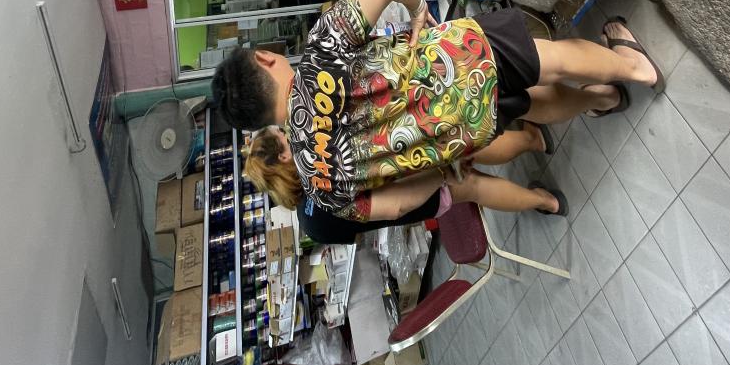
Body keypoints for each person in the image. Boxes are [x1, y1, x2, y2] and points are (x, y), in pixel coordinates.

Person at [211, 0, 664, 222]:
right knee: (553, 60)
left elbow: (398, 205)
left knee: (533, 104)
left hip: (462, 132)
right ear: (264, 60)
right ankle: (635, 68)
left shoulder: (321, 188)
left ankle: (602, 98)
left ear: (258, 122)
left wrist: (440, 172)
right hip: (463, 59)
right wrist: (416, 11)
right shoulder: (320, 49)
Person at [242, 126, 568, 245]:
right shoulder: (321, 156)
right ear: (283, 155)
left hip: (423, 203)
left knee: (475, 187)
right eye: (283, 136)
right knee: (471, 147)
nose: (289, 133)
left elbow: (361, 230)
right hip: (417, 170)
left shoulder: (311, 222)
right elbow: (392, 203)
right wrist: (439, 172)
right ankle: (534, 140)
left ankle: (546, 202)